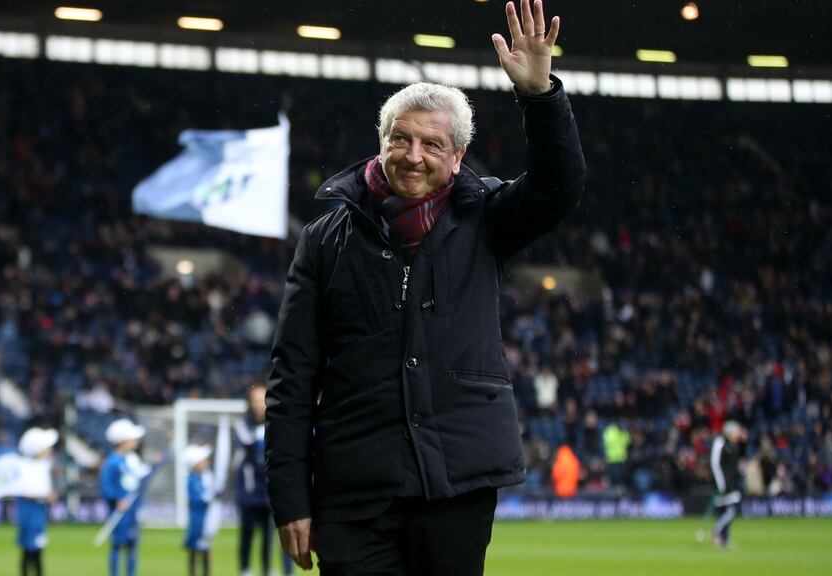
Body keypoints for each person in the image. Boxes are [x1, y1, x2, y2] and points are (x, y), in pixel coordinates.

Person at [265, 1, 586, 573]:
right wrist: (290, 496)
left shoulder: (485, 215)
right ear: (381, 140)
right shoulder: (323, 240)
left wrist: (541, 99)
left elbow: (559, 189)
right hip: (353, 492)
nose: (413, 157)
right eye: (401, 139)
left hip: (456, 484)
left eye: (433, 145)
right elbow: (292, 377)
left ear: (458, 155)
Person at [235, 384, 293, 576]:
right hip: (250, 492)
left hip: (271, 490)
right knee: (247, 532)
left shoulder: (275, 422)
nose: (260, 404)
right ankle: (245, 569)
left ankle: (267, 569)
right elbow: (249, 446)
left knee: (270, 535)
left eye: (262, 399)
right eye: (256, 400)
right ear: (250, 402)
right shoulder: (243, 425)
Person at [100, 418, 149, 576]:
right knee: (117, 545)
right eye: (132, 438)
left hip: (133, 510)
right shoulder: (113, 462)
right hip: (120, 511)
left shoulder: (132, 459)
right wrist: (115, 500)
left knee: (132, 546)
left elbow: (139, 480)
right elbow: (106, 485)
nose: (135, 441)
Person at [15, 427, 59, 576]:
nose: (50, 450)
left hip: (37, 513)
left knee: (36, 550)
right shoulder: (26, 468)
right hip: (30, 513)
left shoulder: (42, 466)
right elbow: (26, 492)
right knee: (30, 550)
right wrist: (46, 496)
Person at [710, 421, 745, 549]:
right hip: (723, 484)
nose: (737, 434)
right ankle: (718, 533)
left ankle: (723, 540)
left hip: (732, 483)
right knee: (729, 511)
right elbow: (715, 464)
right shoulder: (720, 442)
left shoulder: (733, 445)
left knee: (729, 510)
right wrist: (720, 483)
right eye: (736, 431)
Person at [182, 444, 214, 576]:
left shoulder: (204, 477)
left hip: (205, 522)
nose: (207, 463)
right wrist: (210, 496)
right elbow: (198, 498)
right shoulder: (192, 479)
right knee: (194, 551)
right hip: (197, 522)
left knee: (206, 550)